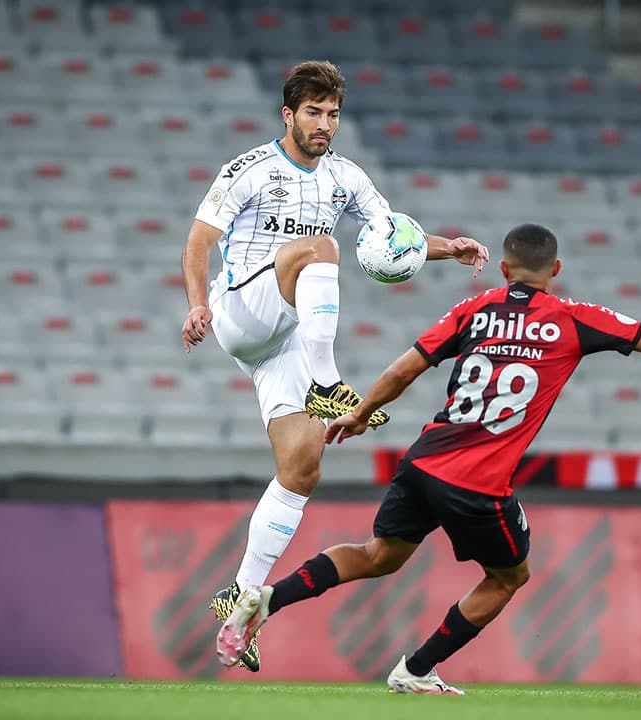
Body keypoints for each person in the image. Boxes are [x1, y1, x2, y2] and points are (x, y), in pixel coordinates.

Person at [214, 223, 641, 692]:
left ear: (506, 269)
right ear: (555, 272)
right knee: (511, 574)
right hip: (479, 483)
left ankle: (265, 597)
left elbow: (404, 368)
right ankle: (415, 669)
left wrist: (361, 412)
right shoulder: (572, 318)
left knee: (379, 554)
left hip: (424, 460)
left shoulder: (474, 308)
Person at [179, 60, 490, 672]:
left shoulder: (346, 176)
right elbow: (198, 243)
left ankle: (240, 600)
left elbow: (388, 234)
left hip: (286, 336)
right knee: (321, 246)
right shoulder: (248, 170)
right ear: (288, 115)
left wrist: (445, 246)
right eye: (314, 113)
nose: (325, 125)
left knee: (303, 467)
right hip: (241, 309)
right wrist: (196, 305)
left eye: (333, 115)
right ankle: (328, 383)